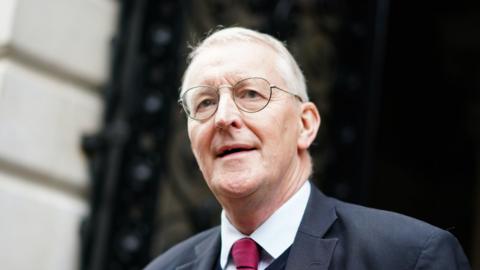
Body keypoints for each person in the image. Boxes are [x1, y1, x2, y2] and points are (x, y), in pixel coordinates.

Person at [144, 27, 470, 270]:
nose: (224, 118)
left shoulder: (408, 257)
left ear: (306, 124)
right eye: (205, 102)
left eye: (251, 95)